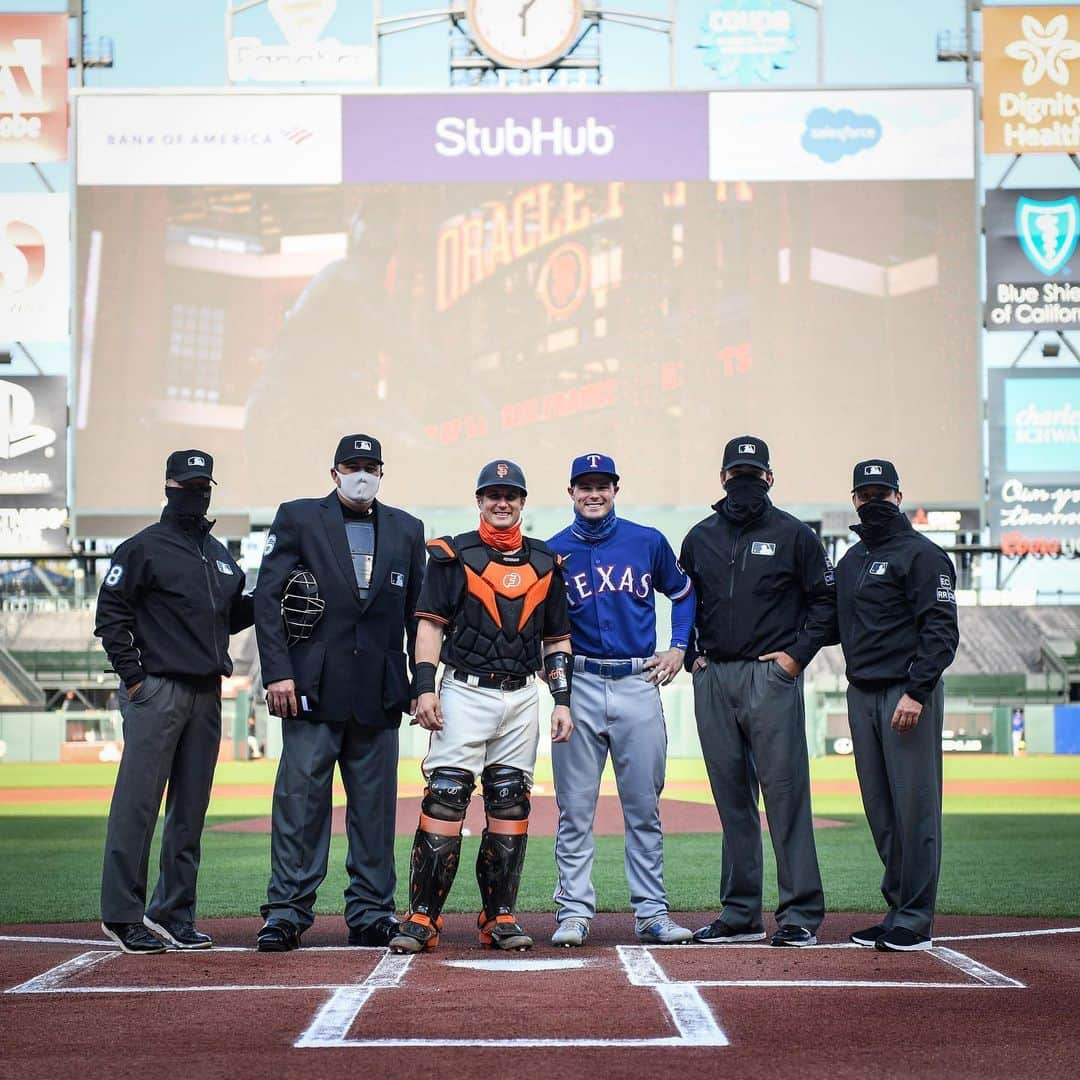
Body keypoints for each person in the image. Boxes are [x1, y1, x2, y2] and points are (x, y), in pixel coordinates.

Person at [389, 460, 573, 954]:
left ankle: (500, 917)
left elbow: (556, 641)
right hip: (464, 692)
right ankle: (422, 917)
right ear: (479, 500)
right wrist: (424, 687)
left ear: (522, 502)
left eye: (510, 495)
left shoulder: (546, 563)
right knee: (446, 796)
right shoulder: (452, 555)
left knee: (510, 803)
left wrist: (561, 699)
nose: (502, 502)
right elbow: (429, 625)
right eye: (493, 494)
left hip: (520, 696)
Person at [254, 434, 426, 952]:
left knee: (374, 810)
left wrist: (421, 686)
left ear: (381, 472)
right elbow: (267, 597)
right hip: (309, 687)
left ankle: (372, 912)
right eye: (352, 466)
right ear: (334, 472)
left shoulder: (407, 529)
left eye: (370, 466)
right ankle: (286, 912)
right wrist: (277, 672)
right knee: (301, 803)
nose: (361, 474)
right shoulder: (299, 518)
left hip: (379, 691)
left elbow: (421, 616)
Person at [95, 450, 254, 954]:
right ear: (168, 485)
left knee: (190, 810)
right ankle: (122, 914)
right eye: (187, 483)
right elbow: (110, 616)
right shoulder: (142, 548)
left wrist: (269, 598)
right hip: (158, 689)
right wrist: (135, 679)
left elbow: (224, 618)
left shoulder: (221, 556)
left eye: (204, 483)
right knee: (137, 807)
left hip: (207, 692)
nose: (197, 491)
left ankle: (172, 912)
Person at [679, 435, 833, 948]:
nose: (744, 481)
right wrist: (692, 655)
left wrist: (793, 659)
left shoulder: (795, 536)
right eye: (736, 473)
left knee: (785, 795)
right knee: (731, 798)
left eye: (753, 473)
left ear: (768, 478)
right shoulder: (699, 536)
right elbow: (686, 602)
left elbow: (826, 604)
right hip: (714, 676)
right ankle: (741, 913)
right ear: (722, 478)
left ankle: (800, 914)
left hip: (770, 677)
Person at [547, 452, 696, 947]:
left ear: (615, 488)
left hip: (638, 682)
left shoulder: (647, 540)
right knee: (574, 809)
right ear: (570, 492)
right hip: (580, 684)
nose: (594, 493)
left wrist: (678, 646)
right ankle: (572, 911)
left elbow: (684, 592)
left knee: (643, 809)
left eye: (602, 485)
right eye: (584, 485)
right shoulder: (552, 552)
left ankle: (652, 913)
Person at [833, 459, 959, 952]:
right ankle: (896, 910)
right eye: (866, 495)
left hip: (906, 694)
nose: (874, 502)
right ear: (855, 500)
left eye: (882, 494)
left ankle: (916, 919)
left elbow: (941, 632)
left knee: (915, 809)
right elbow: (833, 624)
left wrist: (917, 691)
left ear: (898, 497)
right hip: (861, 692)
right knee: (881, 811)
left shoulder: (924, 556)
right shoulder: (851, 561)